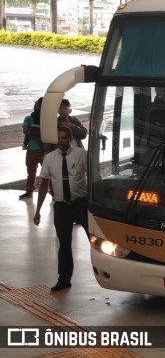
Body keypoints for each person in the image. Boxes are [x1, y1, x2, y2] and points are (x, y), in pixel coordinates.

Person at [33, 126, 89, 292]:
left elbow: (93, 177)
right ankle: (64, 279)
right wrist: (38, 211)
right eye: (59, 138)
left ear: (70, 139)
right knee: (64, 244)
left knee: (96, 240)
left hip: (82, 204)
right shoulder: (49, 158)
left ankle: (109, 271)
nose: (61, 140)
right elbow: (43, 185)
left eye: (64, 138)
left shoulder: (81, 154)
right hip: (61, 206)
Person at [19, 97, 44, 199]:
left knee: (48, 173)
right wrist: (38, 137)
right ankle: (29, 191)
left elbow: (28, 131)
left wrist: (32, 133)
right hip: (33, 149)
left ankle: (53, 192)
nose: (38, 107)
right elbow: (26, 131)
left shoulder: (46, 118)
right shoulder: (29, 118)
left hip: (43, 150)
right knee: (31, 173)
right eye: (37, 105)